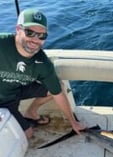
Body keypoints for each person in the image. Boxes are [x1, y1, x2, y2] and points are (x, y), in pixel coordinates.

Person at [0, 9, 87, 139]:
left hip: (16, 93)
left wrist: (73, 122)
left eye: (42, 35)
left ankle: (31, 112)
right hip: (2, 101)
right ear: (18, 29)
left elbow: (57, 94)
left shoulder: (43, 63)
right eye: (30, 32)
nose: (35, 40)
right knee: (27, 134)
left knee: (58, 87)